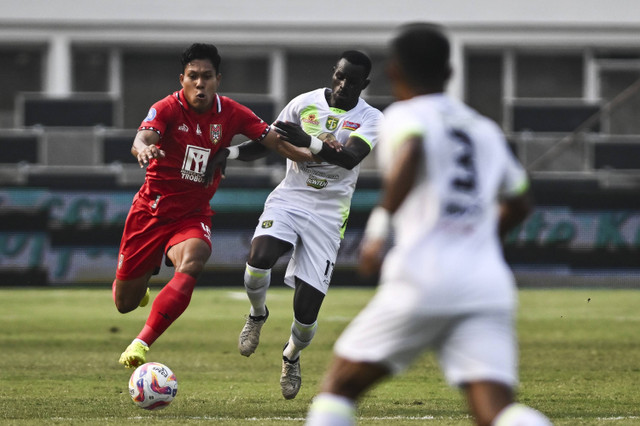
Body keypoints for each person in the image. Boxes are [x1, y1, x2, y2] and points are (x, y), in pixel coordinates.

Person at [305, 23, 552, 426]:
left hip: (424, 275)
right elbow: (521, 201)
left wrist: (379, 231)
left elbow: (414, 150)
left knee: (338, 389)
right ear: (449, 73)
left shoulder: (404, 116)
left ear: (395, 72)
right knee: (497, 410)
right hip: (486, 284)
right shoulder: (485, 129)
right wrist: (480, 239)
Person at [115, 43, 316, 369]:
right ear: (182, 79)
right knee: (124, 303)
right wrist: (142, 150)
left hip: (192, 215)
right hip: (150, 211)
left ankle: (141, 343)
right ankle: (143, 283)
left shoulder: (232, 112)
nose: (200, 83)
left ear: (217, 79)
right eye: (193, 76)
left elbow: (274, 141)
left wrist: (316, 155)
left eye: (206, 76)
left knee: (194, 258)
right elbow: (143, 138)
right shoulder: (166, 108)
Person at [210, 50, 383, 399]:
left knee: (306, 316)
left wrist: (310, 141)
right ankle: (257, 315)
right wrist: (229, 154)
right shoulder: (304, 104)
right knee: (259, 259)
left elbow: (349, 158)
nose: (343, 85)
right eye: (339, 76)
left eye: (352, 81)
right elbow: (268, 142)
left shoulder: (372, 118)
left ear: (364, 85)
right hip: (291, 197)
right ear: (333, 73)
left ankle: (291, 355)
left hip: (329, 213)